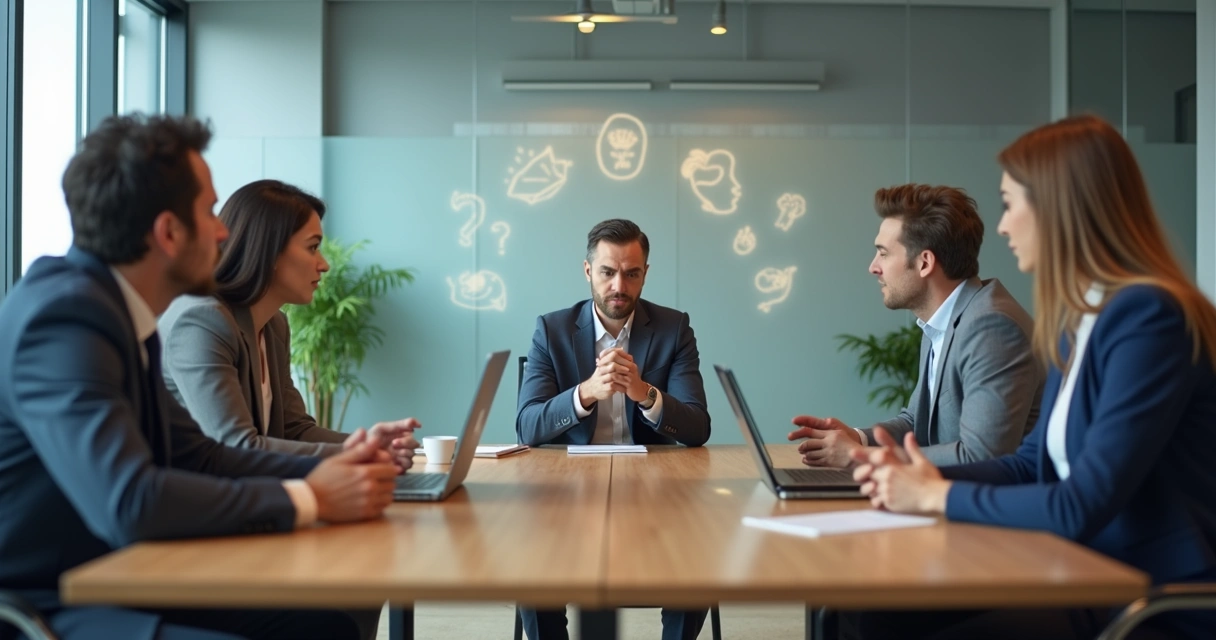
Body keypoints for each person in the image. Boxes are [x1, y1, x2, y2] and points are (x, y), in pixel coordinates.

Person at [0, 114, 399, 640]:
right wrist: (313, 498)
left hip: (123, 576)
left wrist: (332, 473)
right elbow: (131, 501)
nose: (223, 230)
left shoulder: (119, 312)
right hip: (52, 603)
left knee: (325, 628)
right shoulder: (67, 319)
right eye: (210, 210)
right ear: (168, 232)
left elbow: (202, 454)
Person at [850, 114, 1216, 639]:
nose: (1001, 226)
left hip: (1150, 597)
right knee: (869, 611)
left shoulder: (1150, 318)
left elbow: (1080, 503)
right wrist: (916, 478)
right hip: (1085, 573)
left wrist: (935, 497)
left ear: (1060, 208)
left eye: (1010, 204)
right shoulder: (1079, 317)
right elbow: (1032, 464)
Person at [515, 218, 710, 640]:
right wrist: (585, 393)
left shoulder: (674, 328)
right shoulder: (551, 330)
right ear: (588, 271)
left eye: (631, 273)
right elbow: (527, 425)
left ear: (645, 274)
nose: (618, 285)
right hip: (568, 494)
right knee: (534, 558)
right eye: (607, 271)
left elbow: (697, 426)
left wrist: (644, 393)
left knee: (695, 550)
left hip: (654, 493)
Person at [159, 179, 419, 467]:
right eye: (312, 247)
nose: (324, 264)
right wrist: (357, 454)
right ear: (267, 251)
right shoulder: (200, 322)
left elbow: (294, 430)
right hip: (195, 504)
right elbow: (235, 445)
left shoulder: (274, 325)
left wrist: (366, 443)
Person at [788, 184, 1043, 468]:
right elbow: (915, 420)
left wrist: (861, 457)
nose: (873, 267)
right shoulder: (943, 319)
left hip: (986, 506)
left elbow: (980, 456)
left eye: (883, 253)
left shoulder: (991, 327)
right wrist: (859, 439)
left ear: (924, 263)